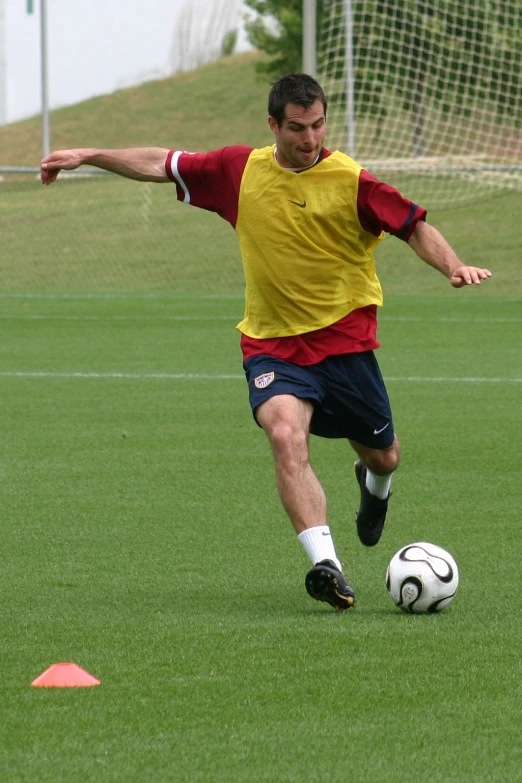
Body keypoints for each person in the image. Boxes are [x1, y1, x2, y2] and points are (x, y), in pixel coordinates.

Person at [40, 73, 491, 613]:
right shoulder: (239, 169)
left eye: (319, 125)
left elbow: (414, 224)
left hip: (344, 343)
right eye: (297, 128)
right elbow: (162, 164)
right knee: (284, 433)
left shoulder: (350, 180)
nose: (310, 138)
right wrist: (88, 154)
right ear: (273, 125)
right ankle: (328, 566)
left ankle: (374, 487)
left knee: (385, 455)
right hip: (271, 343)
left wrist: (453, 266)